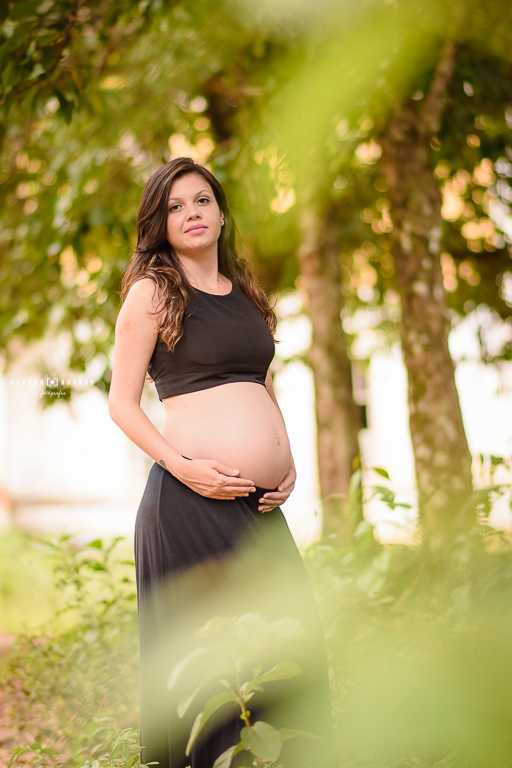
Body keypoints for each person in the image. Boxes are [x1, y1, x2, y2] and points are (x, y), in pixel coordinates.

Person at [109, 157, 337, 768]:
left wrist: (284, 458)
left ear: (221, 211)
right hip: (189, 505)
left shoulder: (244, 293)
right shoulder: (153, 292)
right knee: (211, 674)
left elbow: (260, 383)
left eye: (201, 200)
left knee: (292, 652)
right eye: (175, 205)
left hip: (256, 508)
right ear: (158, 222)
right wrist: (184, 466)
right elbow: (122, 405)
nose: (191, 213)